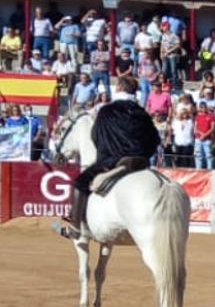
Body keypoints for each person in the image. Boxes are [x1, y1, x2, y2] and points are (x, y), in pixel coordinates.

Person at [54, 100, 163, 240]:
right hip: (141, 161)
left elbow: (98, 139)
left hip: (114, 160)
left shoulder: (107, 113)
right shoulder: (139, 111)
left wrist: (104, 158)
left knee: (80, 183)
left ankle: (75, 229)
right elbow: (154, 138)